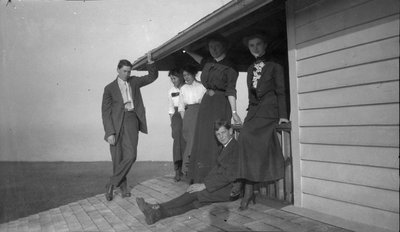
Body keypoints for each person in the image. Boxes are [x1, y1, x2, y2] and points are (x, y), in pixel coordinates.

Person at [136, 120, 240, 225]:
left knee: (194, 193)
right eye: (218, 134)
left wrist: (204, 185)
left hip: (229, 190)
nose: (221, 137)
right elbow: (217, 171)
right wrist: (203, 183)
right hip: (223, 187)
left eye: (223, 132)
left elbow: (228, 176)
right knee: (195, 203)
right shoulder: (226, 147)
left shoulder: (234, 149)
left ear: (230, 131)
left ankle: (156, 207)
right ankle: (155, 215)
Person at [237, 33, 289, 210]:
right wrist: (248, 117)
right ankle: (247, 187)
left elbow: (281, 91)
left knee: (247, 138)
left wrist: (283, 114)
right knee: (243, 136)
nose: (256, 48)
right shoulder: (251, 68)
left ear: (265, 45)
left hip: (269, 112)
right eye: (252, 45)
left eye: (259, 44)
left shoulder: (275, 65)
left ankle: (247, 189)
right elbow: (252, 98)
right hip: (254, 114)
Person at [185, 34, 242, 184]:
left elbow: (231, 90)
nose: (214, 50)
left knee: (215, 139)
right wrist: (187, 51)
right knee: (202, 138)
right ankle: (199, 176)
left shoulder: (230, 66)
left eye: (217, 46)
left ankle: (214, 178)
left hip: (220, 104)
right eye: (211, 47)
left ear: (224, 46)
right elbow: (201, 60)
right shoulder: (208, 62)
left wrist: (234, 112)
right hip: (206, 104)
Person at [101, 52, 158, 201]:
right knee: (117, 157)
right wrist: (110, 133)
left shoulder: (134, 82)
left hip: (131, 119)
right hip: (115, 124)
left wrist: (151, 63)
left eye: (129, 71)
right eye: (124, 71)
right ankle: (123, 187)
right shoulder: (109, 88)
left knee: (131, 155)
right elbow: (105, 113)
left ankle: (111, 184)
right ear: (118, 70)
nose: (127, 74)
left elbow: (152, 77)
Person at [177, 64, 206, 178]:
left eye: (188, 74)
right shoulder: (183, 88)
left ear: (194, 74)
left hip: (199, 115)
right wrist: (185, 120)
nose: (186, 77)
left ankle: (189, 169)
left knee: (195, 142)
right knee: (189, 141)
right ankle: (188, 170)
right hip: (188, 117)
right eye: (184, 75)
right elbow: (180, 107)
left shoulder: (202, 86)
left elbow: (205, 104)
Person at [168, 68, 186, 182]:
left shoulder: (187, 88)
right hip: (176, 117)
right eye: (171, 79)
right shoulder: (171, 91)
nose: (173, 81)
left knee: (187, 141)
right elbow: (170, 108)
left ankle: (186, 169)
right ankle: (177, 170)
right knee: (177, 143)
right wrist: (172, 123)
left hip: (187, 113)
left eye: (174, 78)